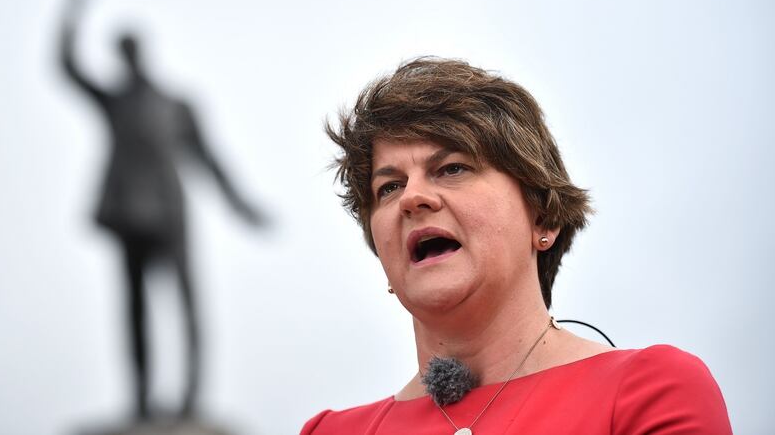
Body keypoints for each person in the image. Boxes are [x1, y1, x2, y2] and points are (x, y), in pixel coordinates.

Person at [302, 58, 731, 434]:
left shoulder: (651, 392)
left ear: (542, 217)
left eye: (452, 168)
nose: (412, 197)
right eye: (389, 186)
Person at [59, 0, 266, 420]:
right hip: (130, 216)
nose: (127, 57)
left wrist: (240, 205)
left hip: (172, 213)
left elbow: (209, 159)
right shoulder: (114, 101)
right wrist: (73, 10)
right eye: (122, 51)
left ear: (141, 52)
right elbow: (67, 66)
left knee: (187, 303)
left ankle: (191, 399)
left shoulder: (176, 104)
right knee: (134, 308)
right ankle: (140, 402)